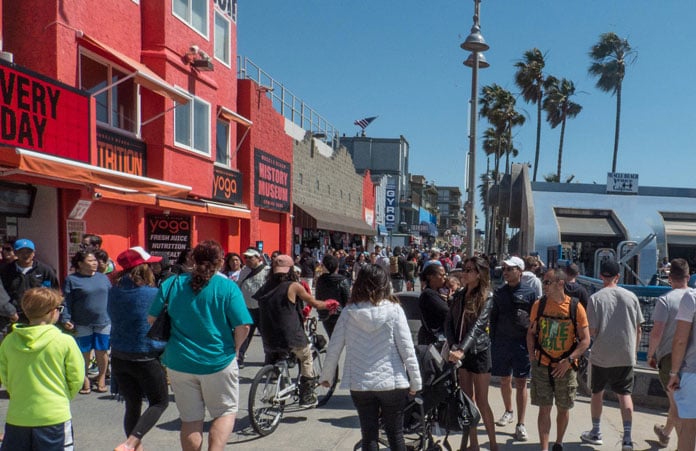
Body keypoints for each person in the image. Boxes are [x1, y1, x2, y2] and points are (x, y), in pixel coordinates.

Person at [148, 240, 252, 451]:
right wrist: (236, 349)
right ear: (221, 261)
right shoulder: (227, 287)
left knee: (190, 420)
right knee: (224, 413)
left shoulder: (171, 284)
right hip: (218, 360)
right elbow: (243, 326)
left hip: (179, 362)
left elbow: (152, 319)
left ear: (192, 259)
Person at [319, 264, 422, 451]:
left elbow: (334, 347)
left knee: (369, 435)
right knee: (396, 434)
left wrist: (326, 376)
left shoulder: (349, 312)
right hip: (392, 382)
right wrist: (415, 381)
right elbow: (407, 349)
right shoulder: (394, 310)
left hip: (360, 383)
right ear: (385, 284)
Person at [0, 287, 84, 451]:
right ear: (52, 312)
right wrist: (63, 395)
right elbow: (77, 377)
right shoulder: (64, 341)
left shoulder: (9, 341)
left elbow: (5, 376)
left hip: (18, 415)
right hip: (54, 414)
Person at [254, 255, 339, 408]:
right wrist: (329, 304)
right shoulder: (293, 286)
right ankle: (306, 397)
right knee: (306, 356)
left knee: (284, 355)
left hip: (268, 336)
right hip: (290, 334)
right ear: (291, 270)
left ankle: (282, 380)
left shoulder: (266, 286)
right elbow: (314, 303)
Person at [109, 247, 168, 451]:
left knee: (132, 404)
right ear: (142, 268)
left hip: (118, 355)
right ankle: (130, 444)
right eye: (150, 264)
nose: (154, 267)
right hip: (145, 355)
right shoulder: (152, 293)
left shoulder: (113, 291)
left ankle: (134, 447)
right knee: (160, 402)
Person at [581, 260, 644, 451]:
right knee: (625, 394)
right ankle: (626, 438)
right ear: (618, 276)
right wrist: (633, 351)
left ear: (601, 276)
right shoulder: (631, 296)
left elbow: (591, 331)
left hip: (601, 354)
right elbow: (639, 328)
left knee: (596, 393)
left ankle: (596, 432)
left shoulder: (595, 298)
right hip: (625, 354)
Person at [527, 268, 591, 451]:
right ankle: (544, 447)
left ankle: (559, 442)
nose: (544, 286)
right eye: (543, 282)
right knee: (544, 407)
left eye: (547, 282)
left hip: (566, 365)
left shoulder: (575, 307)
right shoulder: (538, 305)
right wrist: (533, 356)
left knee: (564, 407)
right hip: (543, 363)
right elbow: (531, 333)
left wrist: (569, 360)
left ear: (560, 283)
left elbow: (585, 340)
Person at [446, 256, 498, 451]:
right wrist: (453, 345)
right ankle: (473, 444)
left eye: (469, 270)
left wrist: (461, 349)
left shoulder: (487, 296)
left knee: (482, 402)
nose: (464, 272)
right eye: (464, 269)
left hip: (479, 352)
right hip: (460, 352)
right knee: (467, 401)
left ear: (479, 274)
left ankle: (493, 445)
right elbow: (448, 322)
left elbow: (478, 326)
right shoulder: (459, 294)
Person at [490, 255, 537, 442]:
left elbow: (535, 321)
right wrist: (493, 340)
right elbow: (493, 318)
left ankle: (521, 423)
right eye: (505, 269)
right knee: (504, 379)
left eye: (510, 269)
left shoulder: (530, 293)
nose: (506, 272)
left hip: (521, 343)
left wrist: (533, 344)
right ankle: (508, 411)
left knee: (521, 382)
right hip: (502, 342)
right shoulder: (499, 292)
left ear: (520, 271)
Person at [647, 258, 690, 448]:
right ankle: (665, 433)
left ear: (670, 278)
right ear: (688, 277)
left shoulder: (665, 300)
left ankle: (686, 445)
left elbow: (656, 333)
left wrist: (650, 354)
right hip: (693, 360)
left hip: (671, 359)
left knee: (677, 405)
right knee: (681, 404)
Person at [62, 249, 113, 394]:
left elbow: (111, 297)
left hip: (103, 321)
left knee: (102, 350)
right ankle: (84, 379)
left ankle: (101, 377)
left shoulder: (103, 278)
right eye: (90, 261)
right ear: (80, 264)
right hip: (81, 321)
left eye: (95, 261)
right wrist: (66, 318)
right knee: (84, 352)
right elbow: (66, 301)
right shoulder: (72, 280)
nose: (94, 263)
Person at [0, 238, 60, 325]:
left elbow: (54, 292)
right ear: (15, 253)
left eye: (29, 252)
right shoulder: (5, 271)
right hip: (14, 317)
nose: (25, 255)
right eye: (21, 252)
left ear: (34, 253)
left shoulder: (45, 270)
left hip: (39, 316)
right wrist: (10, 311)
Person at [668, 287, 696, 451]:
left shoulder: (691, 298)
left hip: (693, 370)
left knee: (689, 429)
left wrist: (674, 373)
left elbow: (680, 340)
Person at [236, 247, 270, 368]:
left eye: (250, 257)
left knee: (266, 336)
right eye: (246, 257)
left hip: (262, 309)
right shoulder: (244, 271)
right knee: (244, 334)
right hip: (247, 308)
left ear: (258, 258)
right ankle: (239, 358)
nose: (247, 260)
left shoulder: (267, 271)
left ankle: (269, 360)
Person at [315, 254, 350, 337]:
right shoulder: (342, 280)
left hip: (325, 313)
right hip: (339, 313)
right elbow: (347, 299)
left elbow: (318, 297)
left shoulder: (321, 280)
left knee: (332, 337)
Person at [417, 264, 449, 345]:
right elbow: (446, 312)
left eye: (445, 275)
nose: (444, 277)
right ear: (430, 277)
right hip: (433, 340)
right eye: (442, 275)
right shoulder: (429, 294)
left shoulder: (437, 293)